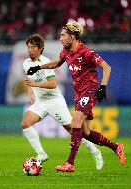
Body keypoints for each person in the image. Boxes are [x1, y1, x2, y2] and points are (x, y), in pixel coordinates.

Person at [27, 21, 126, 172]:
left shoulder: (87, 53)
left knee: (75, 123)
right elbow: (56, 64)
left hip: (89, 90)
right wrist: (38, 67)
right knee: (85, 133)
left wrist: (103, 86)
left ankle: (70, 163)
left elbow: (107, 67)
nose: (60, 38)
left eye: (63, 35)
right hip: (79, 93)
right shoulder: (66, 52)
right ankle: (116, 147)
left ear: (72, 37)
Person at [22, 34, 104, 170]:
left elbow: (53, 84)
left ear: (40, 48)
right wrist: (30, 93)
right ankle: (41, 154)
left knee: (74, 130)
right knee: (25, 123)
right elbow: (30, 80)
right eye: (28, 47)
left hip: (54, 101)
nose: (30, 50)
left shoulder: (45, 62)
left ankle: (94, 150)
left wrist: (35, 85)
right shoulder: (26, 63)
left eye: (33, 47)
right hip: (41, 102)